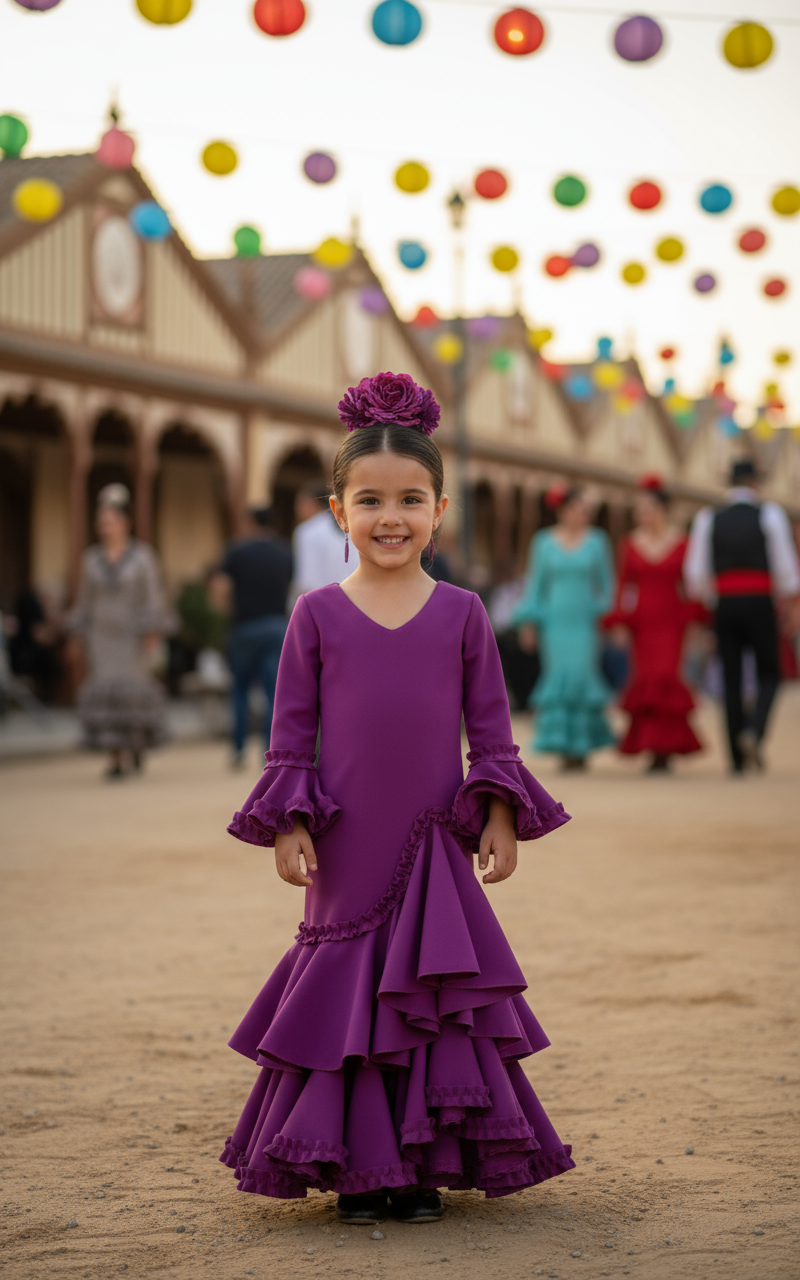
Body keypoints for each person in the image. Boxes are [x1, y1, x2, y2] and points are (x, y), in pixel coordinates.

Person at [220, 373, 574, 1225]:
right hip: (345, 841)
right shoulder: (314, 616)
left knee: (425, 992)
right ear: (337, 512)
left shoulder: (462, 614)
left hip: (430, 840)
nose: (391, 518)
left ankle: (413, 1167)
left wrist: (498, 814)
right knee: (348, 991)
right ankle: (357, 1169)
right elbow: (289, 738)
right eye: (369, 499)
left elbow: (491, 734)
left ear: (440, 510)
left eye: (411, 500)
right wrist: (289, 825)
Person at [685, 457, 800, 773]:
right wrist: (789, 602)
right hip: (760, 600)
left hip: (725, 602)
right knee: (769, 672)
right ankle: (754, 729)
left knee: (731, 678)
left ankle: (736, 759)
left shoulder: (709, 517)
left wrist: (711, 601)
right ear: (755, 483)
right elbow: (785, 566)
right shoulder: (769, 514)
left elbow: (695, 571)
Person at [68, 484, 174, 780]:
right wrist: (77, 633)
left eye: (111, 521)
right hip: (101, 635)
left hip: (132, 634)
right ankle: (115, 758)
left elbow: (152, 595)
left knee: (131, 692)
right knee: (106, 692)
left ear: (124, 523)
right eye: (101, 523)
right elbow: (84, 600)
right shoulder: (91, 559)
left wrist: (152, 629)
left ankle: (135, 746)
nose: (105, 527)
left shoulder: (142, 557)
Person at [605, 475, 706, 772]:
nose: (643, 515)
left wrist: (696, 623)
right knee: (645, 681)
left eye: (648, 508)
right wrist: (620, 623)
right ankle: (651, 747)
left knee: (668, 679)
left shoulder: (683, 543)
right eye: (640, 509)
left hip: (672, 620)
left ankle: (667, 749)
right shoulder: (630, 543)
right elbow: (623, 587)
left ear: (664, 509)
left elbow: (691, 587)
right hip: (643, 623)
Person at [512, 485, 615, 769]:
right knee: (557, 679)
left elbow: (607, 585)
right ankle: (563, 747)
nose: (583, 514)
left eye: (586, 510)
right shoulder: (543, 542)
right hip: (554, 623)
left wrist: (608, 618)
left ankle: (581, 748)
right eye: (578, 508)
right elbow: (536, 585)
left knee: (582, 676)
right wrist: (528, 623)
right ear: (562, 510)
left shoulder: (597, 541)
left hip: (584, 621)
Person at [212, 507, 293, 768]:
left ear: (250, 523)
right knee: (274, 692)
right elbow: (293, 588)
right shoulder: (284, 552)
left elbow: (220, 587)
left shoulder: (237, 550)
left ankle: (238, 749)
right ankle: (268, 751)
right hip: (276, 625)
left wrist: (228, 612)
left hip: (245, 626)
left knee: (240, 689)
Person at [292, 485, 358, 597]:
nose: (296, 509)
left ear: (312, 503)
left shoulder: (307, 531)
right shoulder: (354, 527)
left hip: (319, 604)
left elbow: (306, 582)